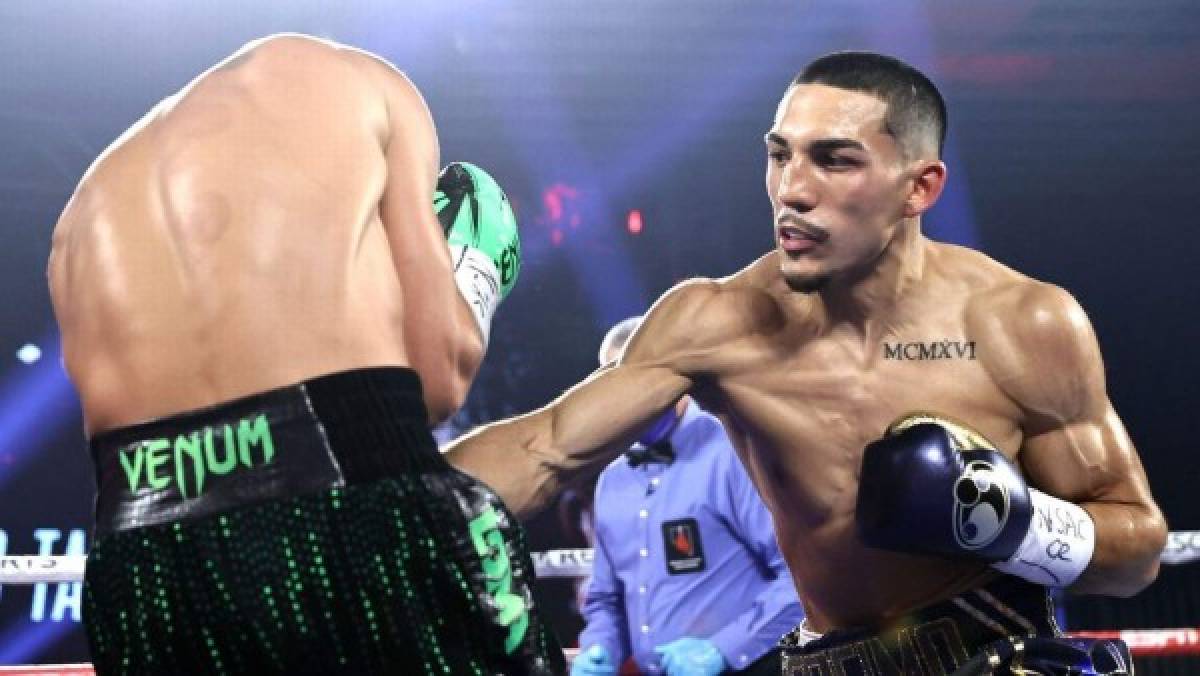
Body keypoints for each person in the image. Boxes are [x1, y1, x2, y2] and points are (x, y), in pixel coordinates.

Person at [446, 51, 1167, 675]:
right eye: (779, 153)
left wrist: (1014, 525)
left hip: (994, 650)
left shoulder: (1021, 323)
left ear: (919, 187)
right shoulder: (715, 321)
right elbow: (545, 449)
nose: (791, 189)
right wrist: (378, 502)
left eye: (834, 158)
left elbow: (1135, 552)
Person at [48, 33, 563, 674]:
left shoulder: (81, 215)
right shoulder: (363, 83)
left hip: (141, 566)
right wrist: (474, 271)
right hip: (338, 508)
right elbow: (439, 376)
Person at [571, 317, 804, 676]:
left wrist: (722, 649)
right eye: (612, 380)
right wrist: (599, 647)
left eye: (637, 377)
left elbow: (799, 578)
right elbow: (607, 598)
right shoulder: (612, 479)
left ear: (674, 377)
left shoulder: (731, 449)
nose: (625, 395)